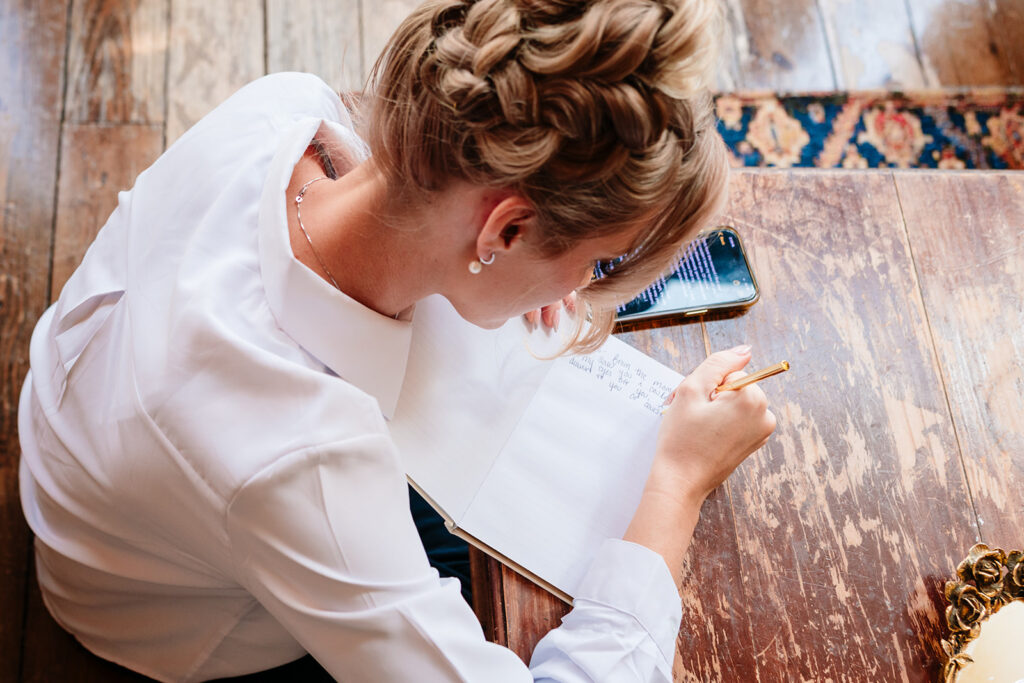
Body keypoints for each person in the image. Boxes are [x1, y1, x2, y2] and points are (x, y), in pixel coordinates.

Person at [18, 0, 776, 680]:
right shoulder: (299, 460)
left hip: (87, 423)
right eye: (594, 260)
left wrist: (522, 259)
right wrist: (675, 483)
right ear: (504, 226)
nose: (580, 285)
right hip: (154, 608)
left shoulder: (285, 110)